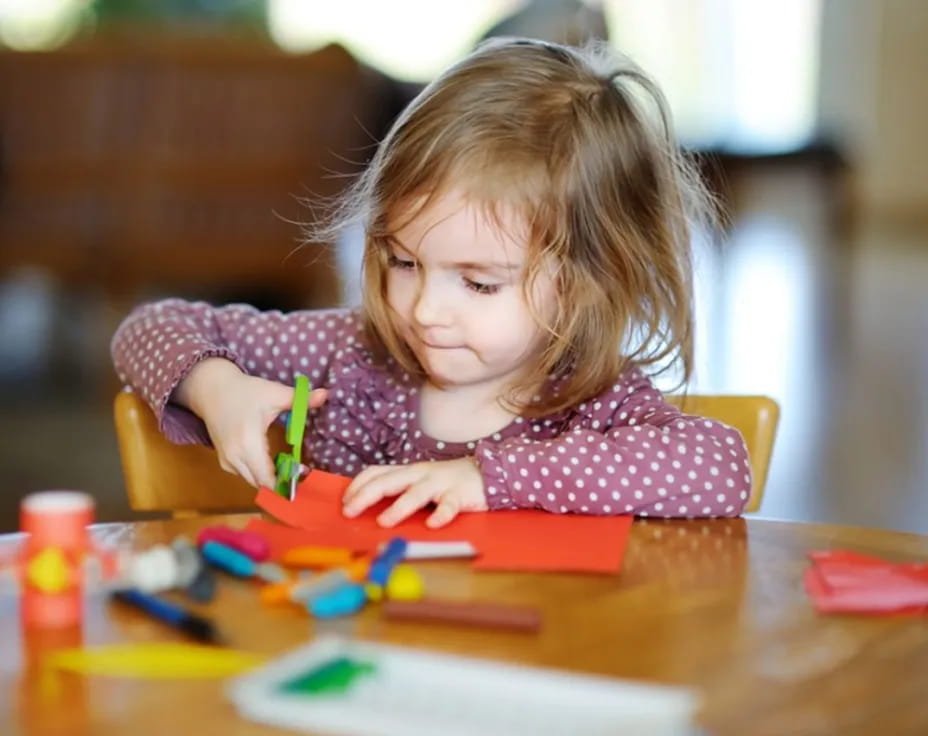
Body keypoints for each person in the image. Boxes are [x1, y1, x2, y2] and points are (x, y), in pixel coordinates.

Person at [111, 38, 752, 529]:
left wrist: (487, 479)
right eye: (404, 263)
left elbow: (720, 466)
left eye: (478, 284)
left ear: (588, 282)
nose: (424, 312)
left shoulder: (592, 399)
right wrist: (214, 387)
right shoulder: (353, 355)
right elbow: (146, 327)